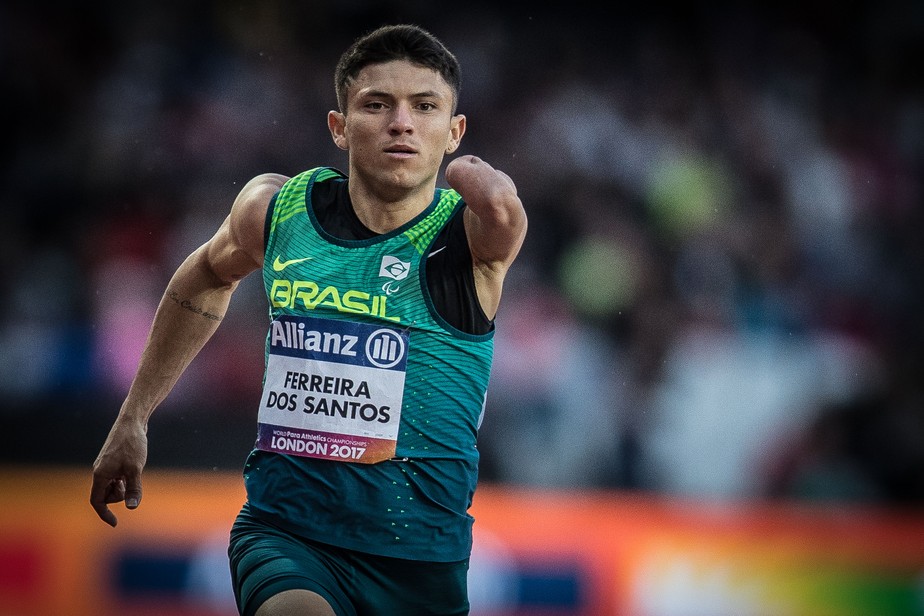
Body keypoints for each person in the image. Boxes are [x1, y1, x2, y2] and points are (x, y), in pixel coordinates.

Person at [89, 23, 527, 616]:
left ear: (455, 131)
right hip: (286, 534)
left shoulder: (465, 239)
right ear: (339, 127)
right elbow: (204, 277)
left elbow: (501, 210)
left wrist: (475, 175)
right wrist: (134, 417)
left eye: (425, 107)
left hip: (420, 561)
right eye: (377, 104)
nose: (401, 123)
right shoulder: (277, 211)